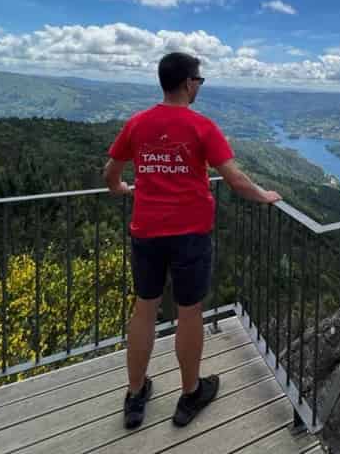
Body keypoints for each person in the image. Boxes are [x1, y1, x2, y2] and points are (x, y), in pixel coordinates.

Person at [102, 52, 281, 430]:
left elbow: (111, 172)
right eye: (199, 80)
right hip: (190, 235)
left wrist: (121, 188)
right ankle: (189, 393)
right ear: (188, 83)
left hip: (146, 232)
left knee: (144, 310)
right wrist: (265, 196)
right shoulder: (202, 127)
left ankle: (135, 396)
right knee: (188, 313)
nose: (199, 86)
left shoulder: (137, 124)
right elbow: (234, 179)